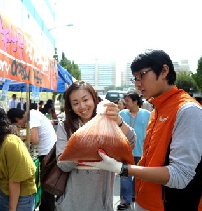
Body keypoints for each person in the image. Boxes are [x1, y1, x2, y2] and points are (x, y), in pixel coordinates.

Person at [86, 50, 202, 211]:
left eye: (142, 75)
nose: (137, 83)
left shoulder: (188, 110)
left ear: (164, 71)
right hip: (144, 201)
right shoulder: (157, 110)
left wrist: (122, 168)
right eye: (135, 78)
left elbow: (180, 175)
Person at [55, 80, 136, 211]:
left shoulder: (108, 120)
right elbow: (62, 164)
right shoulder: (65, 126)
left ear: (94, 99)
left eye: (85, 100)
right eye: (75, 103)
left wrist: (119, 121)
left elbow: (131, 143)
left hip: (102, 202)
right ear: (70, 106)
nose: (82, 106)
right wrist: (81, 149)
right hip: (71, 202)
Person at [7, 107, 56, 211]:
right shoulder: (33, 114)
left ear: (18, 119)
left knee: (47, 187)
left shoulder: (32, 117)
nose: (20, 126)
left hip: (48, 154)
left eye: (17, 124)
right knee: (46, 186)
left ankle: (48, 208)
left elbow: (35, 139)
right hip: (49, 152)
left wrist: (21, 138)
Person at [117, 92, 151, 210]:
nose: (125, 103)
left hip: (142, 151)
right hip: (125, 152)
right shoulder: (121, 114)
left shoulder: (147, 114)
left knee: (138, 176)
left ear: (135, 101)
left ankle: (134, 196)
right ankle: (125, 200)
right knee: (124, 176)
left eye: (128, 101)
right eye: (125, 100)